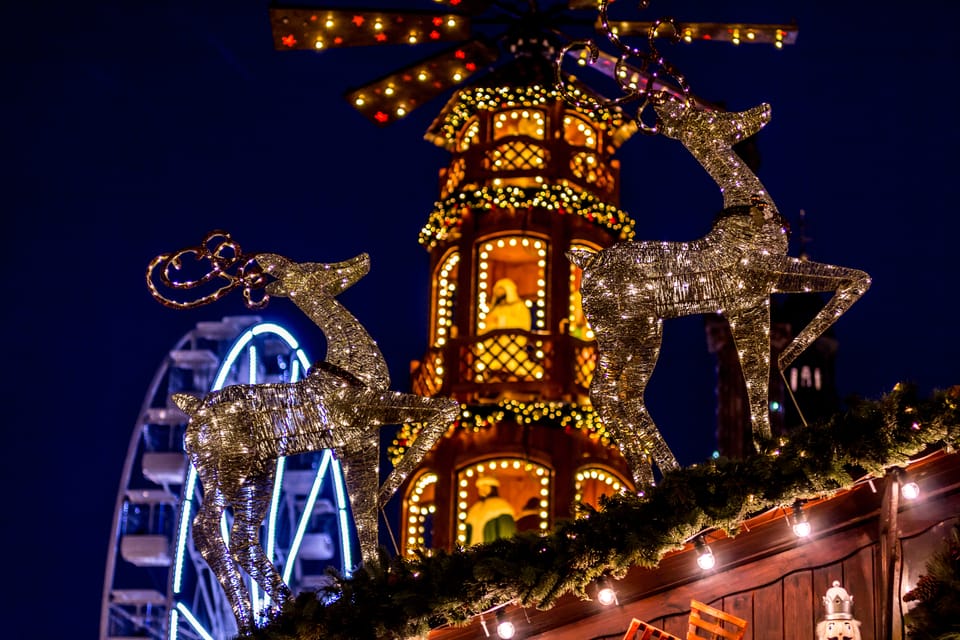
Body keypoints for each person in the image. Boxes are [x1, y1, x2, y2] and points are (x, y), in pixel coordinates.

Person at [464, 476, 516, 546]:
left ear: (492, 488)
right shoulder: (475, 508)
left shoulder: (501, 506)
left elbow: (507, 533)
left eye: (485, 487)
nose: (482, 490)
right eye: (480, 488)